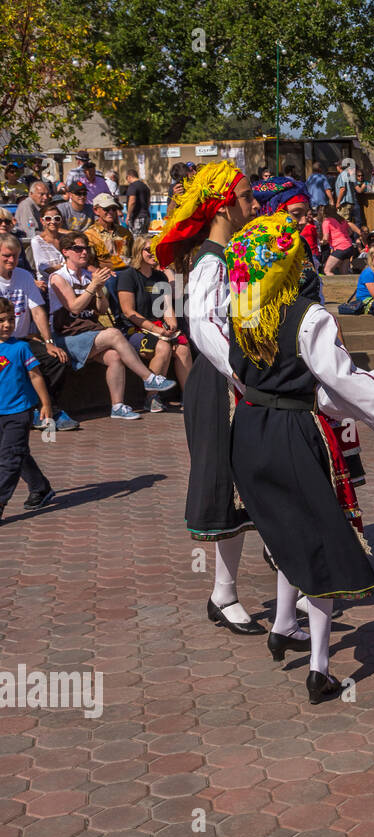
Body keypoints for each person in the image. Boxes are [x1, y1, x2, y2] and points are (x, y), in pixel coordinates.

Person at [222, 212, 374, 703]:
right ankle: (318, 667)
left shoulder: (243, 307)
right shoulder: (309, 316)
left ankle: (281, 625)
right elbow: (344, 383)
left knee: (284, 529)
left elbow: (233, 368)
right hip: (293, 430)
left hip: (250, 428)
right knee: (320, 540)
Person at [150, 161, 268, 636]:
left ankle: (276, 588)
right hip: (221, 384)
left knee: (252, 482)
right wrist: (243, 376)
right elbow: (204, 327)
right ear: (222, 205)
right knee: (226, 484)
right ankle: (224, 592)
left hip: (234, 381)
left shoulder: (227, 258)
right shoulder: (210, 263)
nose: (253, 205)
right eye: (245, 198)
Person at [46, 232, 177, 420]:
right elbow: (74, 308)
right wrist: (94, 285)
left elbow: (101, 309)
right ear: (66, 251)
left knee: (114, 356)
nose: (84, 252)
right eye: (78, 248)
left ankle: (117, 406)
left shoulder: (86, 276)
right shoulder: (59, 278)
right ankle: (148, 378)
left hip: (87, 332)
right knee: (114, 334)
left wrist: (98, 289)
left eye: (86, 248)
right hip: (66, 337)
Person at [0, 235, 78, 430]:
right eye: (6, 256)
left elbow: (37, 310)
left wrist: (49, 341)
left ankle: (45, 409)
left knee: (56, 358)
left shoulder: (24, 276)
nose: (12, 260)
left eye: (15, 256)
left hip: (21, 340)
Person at [0, 298, 56, 522]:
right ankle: (40, 487)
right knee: (16, 452)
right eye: (1, 320)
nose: (7, 325)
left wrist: (46, 404)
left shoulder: (20, 347)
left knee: (9, 458)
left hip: (18, 411)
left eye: (10, 319)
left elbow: (35, 376)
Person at [117, 237, 191, 404]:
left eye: (155, 250)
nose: (153, 254)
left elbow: (166, 307)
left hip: (159, 327)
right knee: (163, 347)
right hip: (134, 329)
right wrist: (157, 330)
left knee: (182, 348)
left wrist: (172, 325)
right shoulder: (128, 276)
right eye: (149, 250)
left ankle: (189, 395)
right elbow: (128, 312)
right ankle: (152, 397)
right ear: (138, 252)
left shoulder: (160, 277)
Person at [29, 204, 66, 286]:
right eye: (48, 219)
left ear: (61, 221)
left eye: (56, 218)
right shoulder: (37, 241)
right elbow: (45, 270)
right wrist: (67, 265)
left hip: (69, 282)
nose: (53, 222)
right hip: (49, 284)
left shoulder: (66, 239)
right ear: (42, 221)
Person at [321, 206, 363, 275]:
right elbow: (350, 232)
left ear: (324, 213)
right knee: (344, 273)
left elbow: (325, 238)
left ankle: (333, 286)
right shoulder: (342, 220)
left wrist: (320, 242)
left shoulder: (327, 222)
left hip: (341, 247)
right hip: (349, 247)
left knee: (327, 270)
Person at [122, 169, 152, 237]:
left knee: (136, 241)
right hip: (146, 216)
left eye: (127, 179)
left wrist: (128, 215)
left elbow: (132, 201)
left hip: (136, 217)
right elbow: (148, 202)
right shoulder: (145, 186)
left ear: (129, 177)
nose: (127, 181)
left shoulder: (133, 186)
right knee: (144, 240)